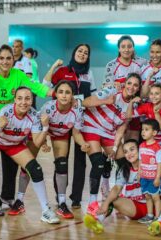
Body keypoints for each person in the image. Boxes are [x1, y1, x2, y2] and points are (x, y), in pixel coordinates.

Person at [0, 44, 52, 216]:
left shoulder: (18, 75)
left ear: (14, 60)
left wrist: (54, 93)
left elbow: (35, 87)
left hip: (13, 124)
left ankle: (7, 197)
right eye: (2, 58)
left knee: (11, 167)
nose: (5, 61)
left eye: (9, 58)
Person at [0, 87, 60, 226]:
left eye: (27, 98)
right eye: (20, 98)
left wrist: (45, 127)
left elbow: (37, 142)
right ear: (15, 99)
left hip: (14, 143)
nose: (23, 102)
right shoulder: (5, 112)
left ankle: (45, 211)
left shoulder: (34, 116)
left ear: (32, 100)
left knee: (35, 169)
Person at [11, 81, 90, 219]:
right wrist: (43, 143)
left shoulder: (77, 110)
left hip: (61, 135)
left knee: (62, 165)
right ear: (56, 94)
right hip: (42, 132)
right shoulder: (48, 108)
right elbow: (40, 128)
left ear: (72, 96)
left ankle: (62, 203)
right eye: (60, 92)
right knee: (28, 166)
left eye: (67, 92)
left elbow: (76, 133)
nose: (64, 95)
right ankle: (19, 200)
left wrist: (83, 143)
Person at [83, 139, 161, 236]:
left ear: (140, 151)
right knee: (112, 199)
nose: (129, 154)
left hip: (155, 206)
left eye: (132, 150)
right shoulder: (124, 169)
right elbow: (116, 189)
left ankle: (160, 222)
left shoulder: (152, 164)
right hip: (135, 207)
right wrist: (105, 204)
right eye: (125, 152)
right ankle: (98, 220)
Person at [44, 44, 96, 209]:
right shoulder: (62, 71)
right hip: (61, 118)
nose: (82, 54)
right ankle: (60, 197)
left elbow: (92, 96)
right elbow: (45, 84)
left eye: (86, 52)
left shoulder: (89, 74)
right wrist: (53, 66)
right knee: (61, 161)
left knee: (81, 160)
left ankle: (76, 198)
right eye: (80, 51)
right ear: (74, 53)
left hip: (81, 119)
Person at [81, 73, 142, 204]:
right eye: (129, 83)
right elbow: (86, 102)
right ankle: (93, 202)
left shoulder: (134, 106)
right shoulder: (112, 90)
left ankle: (121, 195)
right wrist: (105, 101)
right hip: (92, 126)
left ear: (138, 89)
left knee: (124, 164)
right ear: (125, 83)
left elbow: (122, 128)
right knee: (98, 163)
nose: (131, 87)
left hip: (109, 132)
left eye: (135, 85)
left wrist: (114, 148)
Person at [104, 35, 147, 141]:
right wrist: (112, 85)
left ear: (133, 48)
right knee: (116, 142)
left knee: (132, 142)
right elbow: (105, 86)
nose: (126, 49)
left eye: (129, 46)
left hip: (134, 108)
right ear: (119, 48)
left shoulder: (141, 63)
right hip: (117, 109)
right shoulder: (111, 65)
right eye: (123, 46)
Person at [128, 83, 161, 179]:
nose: (153, 96)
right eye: (151, 94)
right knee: (151, 171)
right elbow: (129, 116)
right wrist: (131, 103)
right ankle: (156, 193)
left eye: (157, 93)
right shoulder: (147, 106)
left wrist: (156, 114)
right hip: (151, 145)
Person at [136, 119, 161, 223]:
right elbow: (141, 160)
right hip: (144, 177)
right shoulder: (141, 146)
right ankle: (150, 215)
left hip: (153, 178)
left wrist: (157, 178)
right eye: (142, 129)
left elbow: (159, 164)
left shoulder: (157, 147)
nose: (143, 132)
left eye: (146, 129)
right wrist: (139, 173)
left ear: (154, 133)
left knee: (156, 197)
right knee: (147, 196)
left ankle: (158, 218)